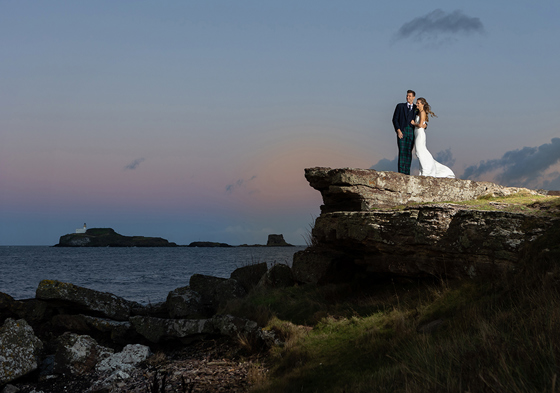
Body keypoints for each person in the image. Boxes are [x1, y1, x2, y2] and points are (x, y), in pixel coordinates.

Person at [411, 97, 455, 178]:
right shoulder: (419, 111)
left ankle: (426, 170)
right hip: (417, 133)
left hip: (420, 134)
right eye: (416, 103)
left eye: (418, 103)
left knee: (420, 152)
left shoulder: (422, 112)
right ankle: (424, 170)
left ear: (422, 104)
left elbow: (420, 125)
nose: (416, 104)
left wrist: (414, 123)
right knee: (419, 152)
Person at [392, 90, 417, 175]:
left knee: (408, 153)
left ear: (413, 97)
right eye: (407, 96)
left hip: (411, 132)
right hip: (402, 131)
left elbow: (422, 119)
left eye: (409, 96)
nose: (407, 97)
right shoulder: (400, 106)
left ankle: (407, 174)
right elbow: (395, 119)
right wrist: (398, 131)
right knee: (402, 152)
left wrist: (425, 125)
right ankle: (401, 174)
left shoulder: (416, 108)